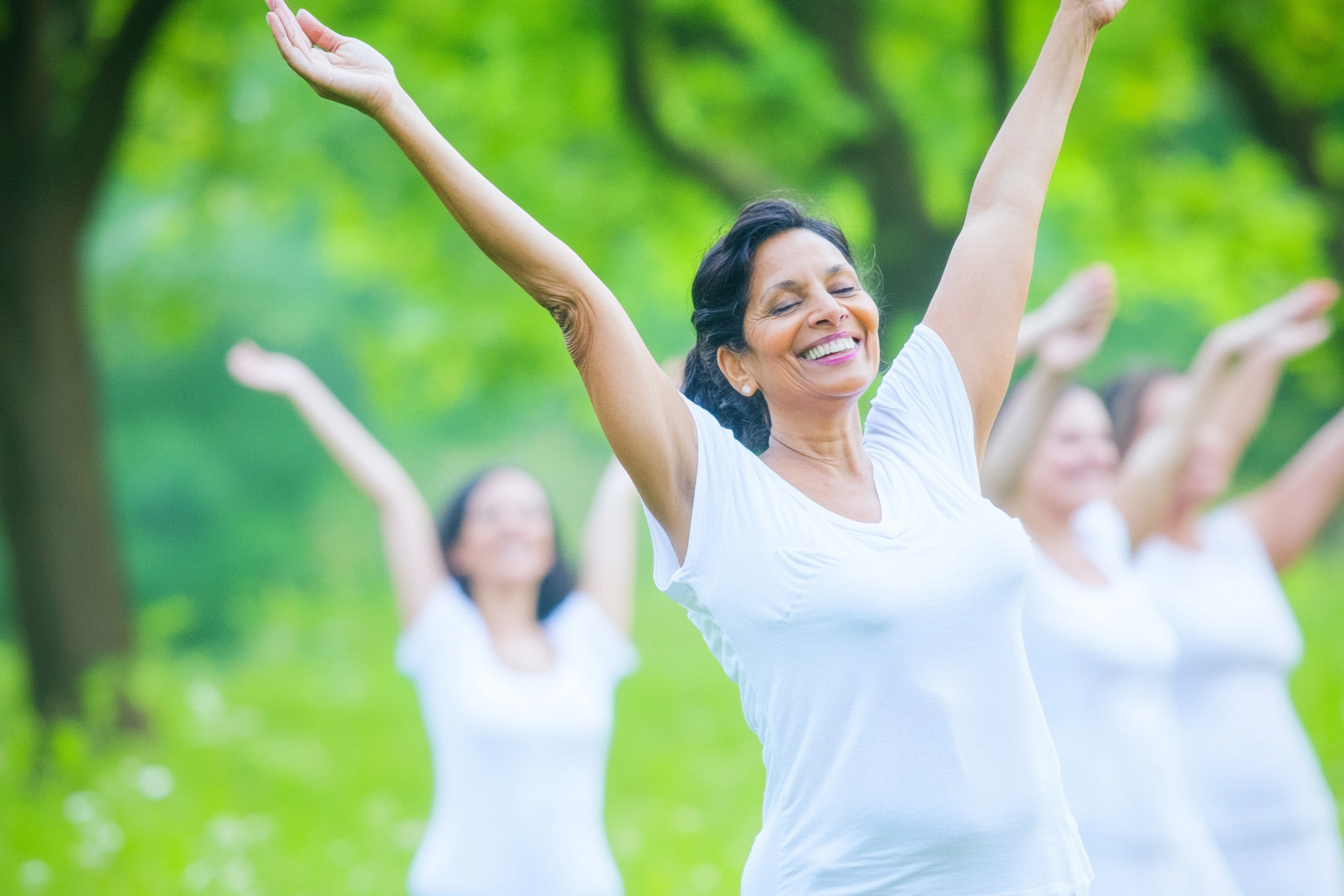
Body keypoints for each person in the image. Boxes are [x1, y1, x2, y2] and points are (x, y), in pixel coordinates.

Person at [261, 0, 1130, 889]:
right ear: (736, 364)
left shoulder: (930, 437)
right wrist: (397, 109)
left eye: (840, 286)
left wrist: (1074, 25)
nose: (828, 309)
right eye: (786, 303)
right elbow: (573, 299)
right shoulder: (717, 494)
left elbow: (1002, 214)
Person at [226, 340, 641, 896]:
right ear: (457, 551)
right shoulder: (447, 634)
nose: (513, 525)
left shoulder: (588, 638)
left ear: (549, 544)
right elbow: (393, 494)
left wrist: (657, 391)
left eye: (529, 513)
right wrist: (300, 383)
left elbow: (620, 490)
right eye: (491, 516)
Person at [1104, 279, 1344, 896]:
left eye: (1204, 419)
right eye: (1174, 424)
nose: (1200, 437)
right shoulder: (1110, 556)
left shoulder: (1238, 541)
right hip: (1197, 845)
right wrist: (1240, 353)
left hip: (1301, 831)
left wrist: (1270, 354)